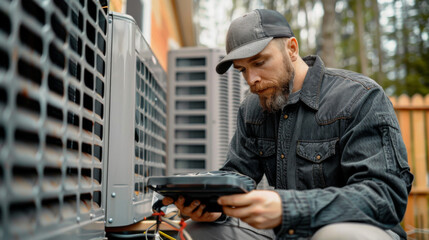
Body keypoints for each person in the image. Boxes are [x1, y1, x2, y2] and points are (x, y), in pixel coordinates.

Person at [163, 9, 413, 240]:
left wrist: (287, 208)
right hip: (285, 233)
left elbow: (386, 197)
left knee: (336, 235)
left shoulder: (359, 97)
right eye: (242, 70)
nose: (252, 80)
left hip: (359, 231)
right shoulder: (252, 109)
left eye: (259, 62)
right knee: (200, 232)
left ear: (292, 49)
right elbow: (237, 177)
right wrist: (214, 208)